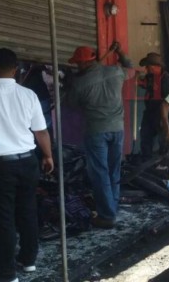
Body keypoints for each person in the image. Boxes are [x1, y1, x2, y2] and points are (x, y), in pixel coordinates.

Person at [0, 48, 54, 282]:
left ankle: (6, 273)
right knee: (27, 211)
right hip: (27, 162)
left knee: (2, 217)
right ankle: (28, 261)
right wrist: (48, 156)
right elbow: (41, 130)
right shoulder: (28, 95)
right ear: (15, 70)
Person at [66, 42, 133, 229]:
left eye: (78, 64)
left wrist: (71, 82)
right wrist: (120, 51)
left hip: (96, 132)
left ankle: (106, 215)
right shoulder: (115, 72)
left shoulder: (80, 83)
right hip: (118, 129)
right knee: (113, 169)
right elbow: (131, 69)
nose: (76, 66)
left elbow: (71, 103)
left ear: (82, 63)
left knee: (100, 173)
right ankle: (113, 206)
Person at [138, 52, 169, 161]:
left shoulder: (166, 78)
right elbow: (144, 84)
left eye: (148, 67)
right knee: (145, 137)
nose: (146, 69)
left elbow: (168, 101)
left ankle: (163, 164)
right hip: (149, 113)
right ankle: (146, 162)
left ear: (155, 67)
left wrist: (166, 119)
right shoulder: (150, 77)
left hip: (162, 114)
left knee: (164, 141)